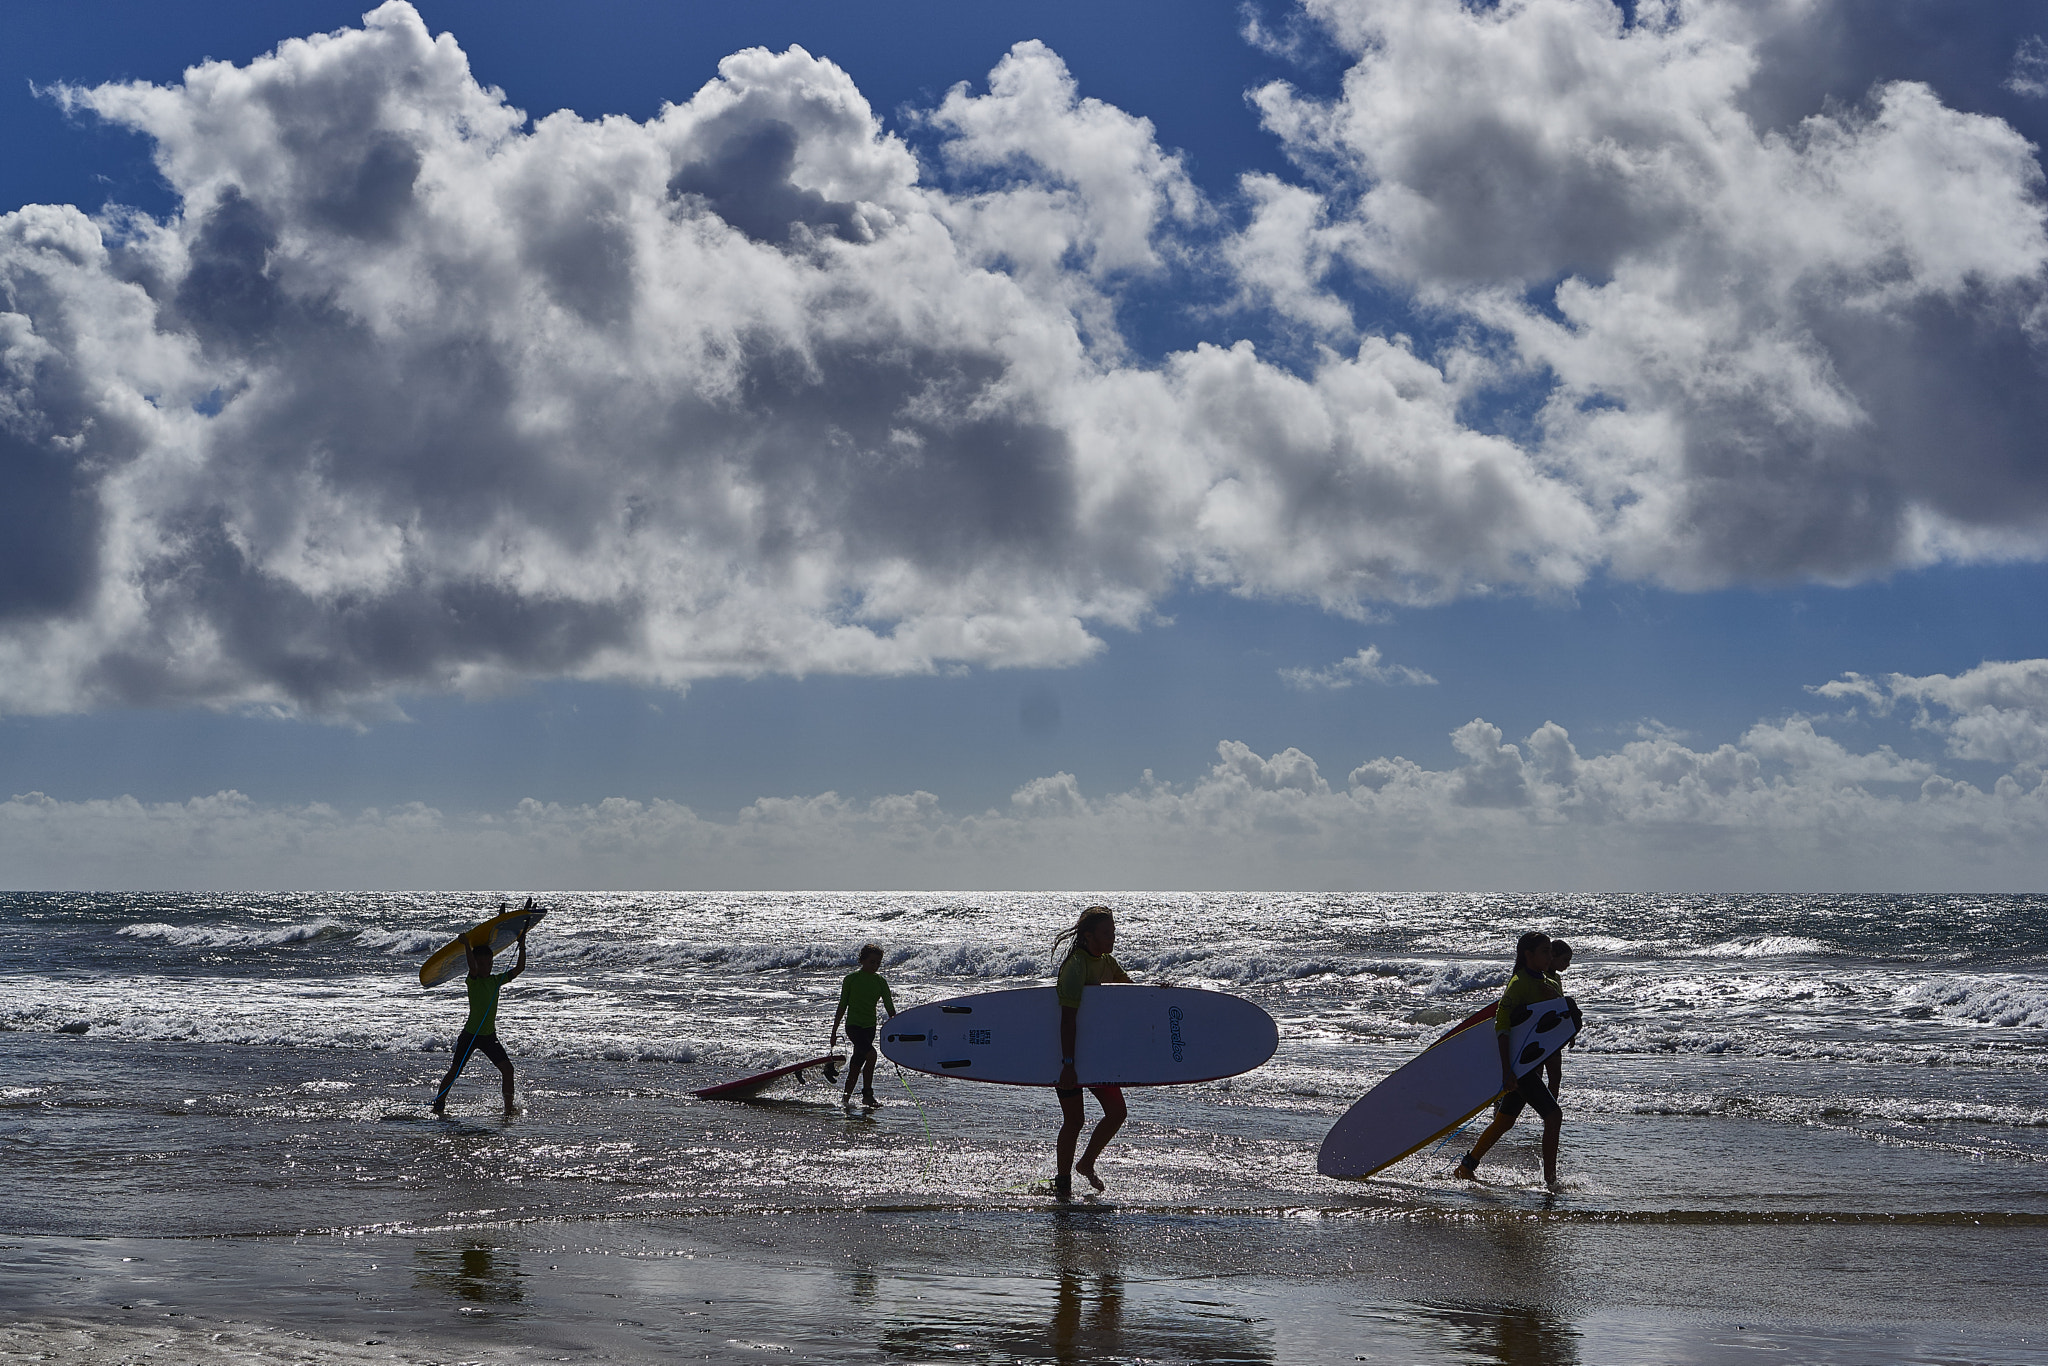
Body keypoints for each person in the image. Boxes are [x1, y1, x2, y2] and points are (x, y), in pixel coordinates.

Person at [1454, 930, 1566, 1187]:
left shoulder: (1550, 983)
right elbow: (1502, 1027)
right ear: (1528, 955)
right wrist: (1507, 1071)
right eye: (1545, 951)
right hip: (1518, 1066)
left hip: (1531, 1063)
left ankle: (1466, 1167)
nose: (1550, 956)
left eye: (1551, 951)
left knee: (1504, 1121)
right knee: (1553, 1116)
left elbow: (1552, 1023)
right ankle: (1551, 1182)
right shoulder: (1519, 984)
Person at [1052, 905, 1135, 1198]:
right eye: (1106, 932)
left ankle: (1086, 1163)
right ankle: (1062, 1182)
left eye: (1113, 931)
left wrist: (1156, 996)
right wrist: (1068, 1063)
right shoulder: (1075, 966)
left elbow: (1131, 994)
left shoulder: (1107, 962)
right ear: (1088, 936)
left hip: (1098, 1055)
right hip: (1068, 1053)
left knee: (1117, 1112)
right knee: (1074, 1120)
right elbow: (1067, 1019)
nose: (1112, 937)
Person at [430, 911, 530, 1116]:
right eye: (482, 963)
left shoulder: (496, 981)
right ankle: (439, 1105)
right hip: (470, 1035)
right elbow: (472, 966)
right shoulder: (473, 981)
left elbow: (519, 968)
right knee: (455, 1071)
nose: (486, 967)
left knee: (508, 1070)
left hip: (488, 1036)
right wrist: (467, 945)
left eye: (489, 963)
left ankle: (508, 1110)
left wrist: (521, 944)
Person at [830, 943, 896, 1106]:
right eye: (872, 962)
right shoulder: (851, 979)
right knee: (871, 1055)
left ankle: (845, 1100)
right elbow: (842, 1005)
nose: (875, 966)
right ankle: (867, 1095)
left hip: (869, 1028)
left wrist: (897, 1029)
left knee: (856, 1063)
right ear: (863, 960)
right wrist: (834, 1031)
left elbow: (890, 1008)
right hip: (853, 1026)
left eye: (878, 963)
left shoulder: (880, 982)